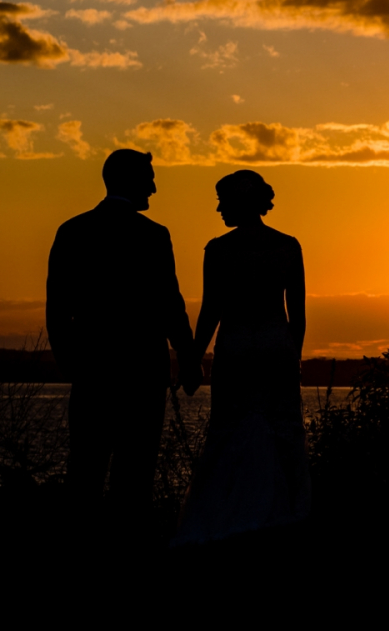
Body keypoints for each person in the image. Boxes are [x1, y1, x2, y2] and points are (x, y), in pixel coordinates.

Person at [46, 148, 196, 510]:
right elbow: (170, 304)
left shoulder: (72, 231)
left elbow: (57, 308)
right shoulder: (153, 236)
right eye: (150, 180)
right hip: (143, 374)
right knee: (135, 475)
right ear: (130, 180)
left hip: (91, 371)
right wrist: (189, 360)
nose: (154, 190)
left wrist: (69, 363)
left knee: (85, 469)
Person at [172, 170, 311, 544]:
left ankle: (225, 519)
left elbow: (210, 312)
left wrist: (192, 359)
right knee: (280, 438)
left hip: (234, 352)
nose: (218, 209)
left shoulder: (218, 250)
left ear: (239, 203)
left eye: (223, 201)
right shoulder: (287, 247)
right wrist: (291, 359)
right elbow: (297, 317)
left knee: (229, 436)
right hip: (275, 351)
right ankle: (282, 517)